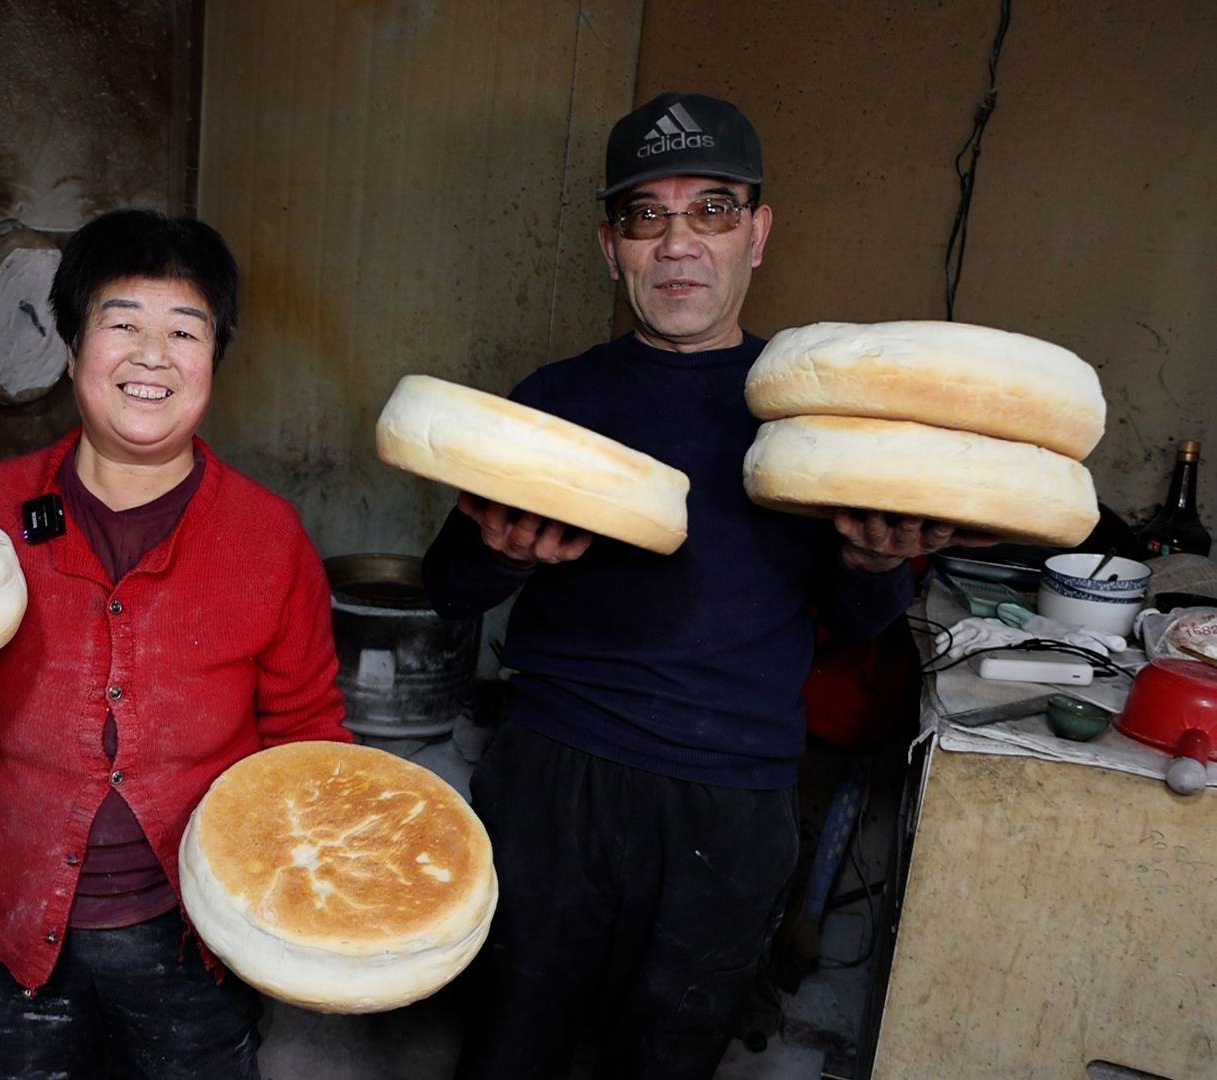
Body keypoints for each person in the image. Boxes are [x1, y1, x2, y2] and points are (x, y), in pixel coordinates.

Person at [423, 92, 992, 1080]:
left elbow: (858, 626)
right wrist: (507, 553)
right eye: (647, 216)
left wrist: (871, 559)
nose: (678, 243)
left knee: (669, 1052)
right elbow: (449, 587)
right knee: (512, 1037)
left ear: (758, 233)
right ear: (611, 247)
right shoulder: (556, 402)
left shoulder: (817, 418)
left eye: (713, 210)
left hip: (731, 790)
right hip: (557, 770)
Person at [0, 208, 349, 1080]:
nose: (152, 355)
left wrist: (322, 885)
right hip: (19, 919)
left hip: (198, 926)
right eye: (122, 323)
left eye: (183, 331)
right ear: (74, 349)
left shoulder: (269, 537)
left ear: (213, 363)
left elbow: (307, 729)